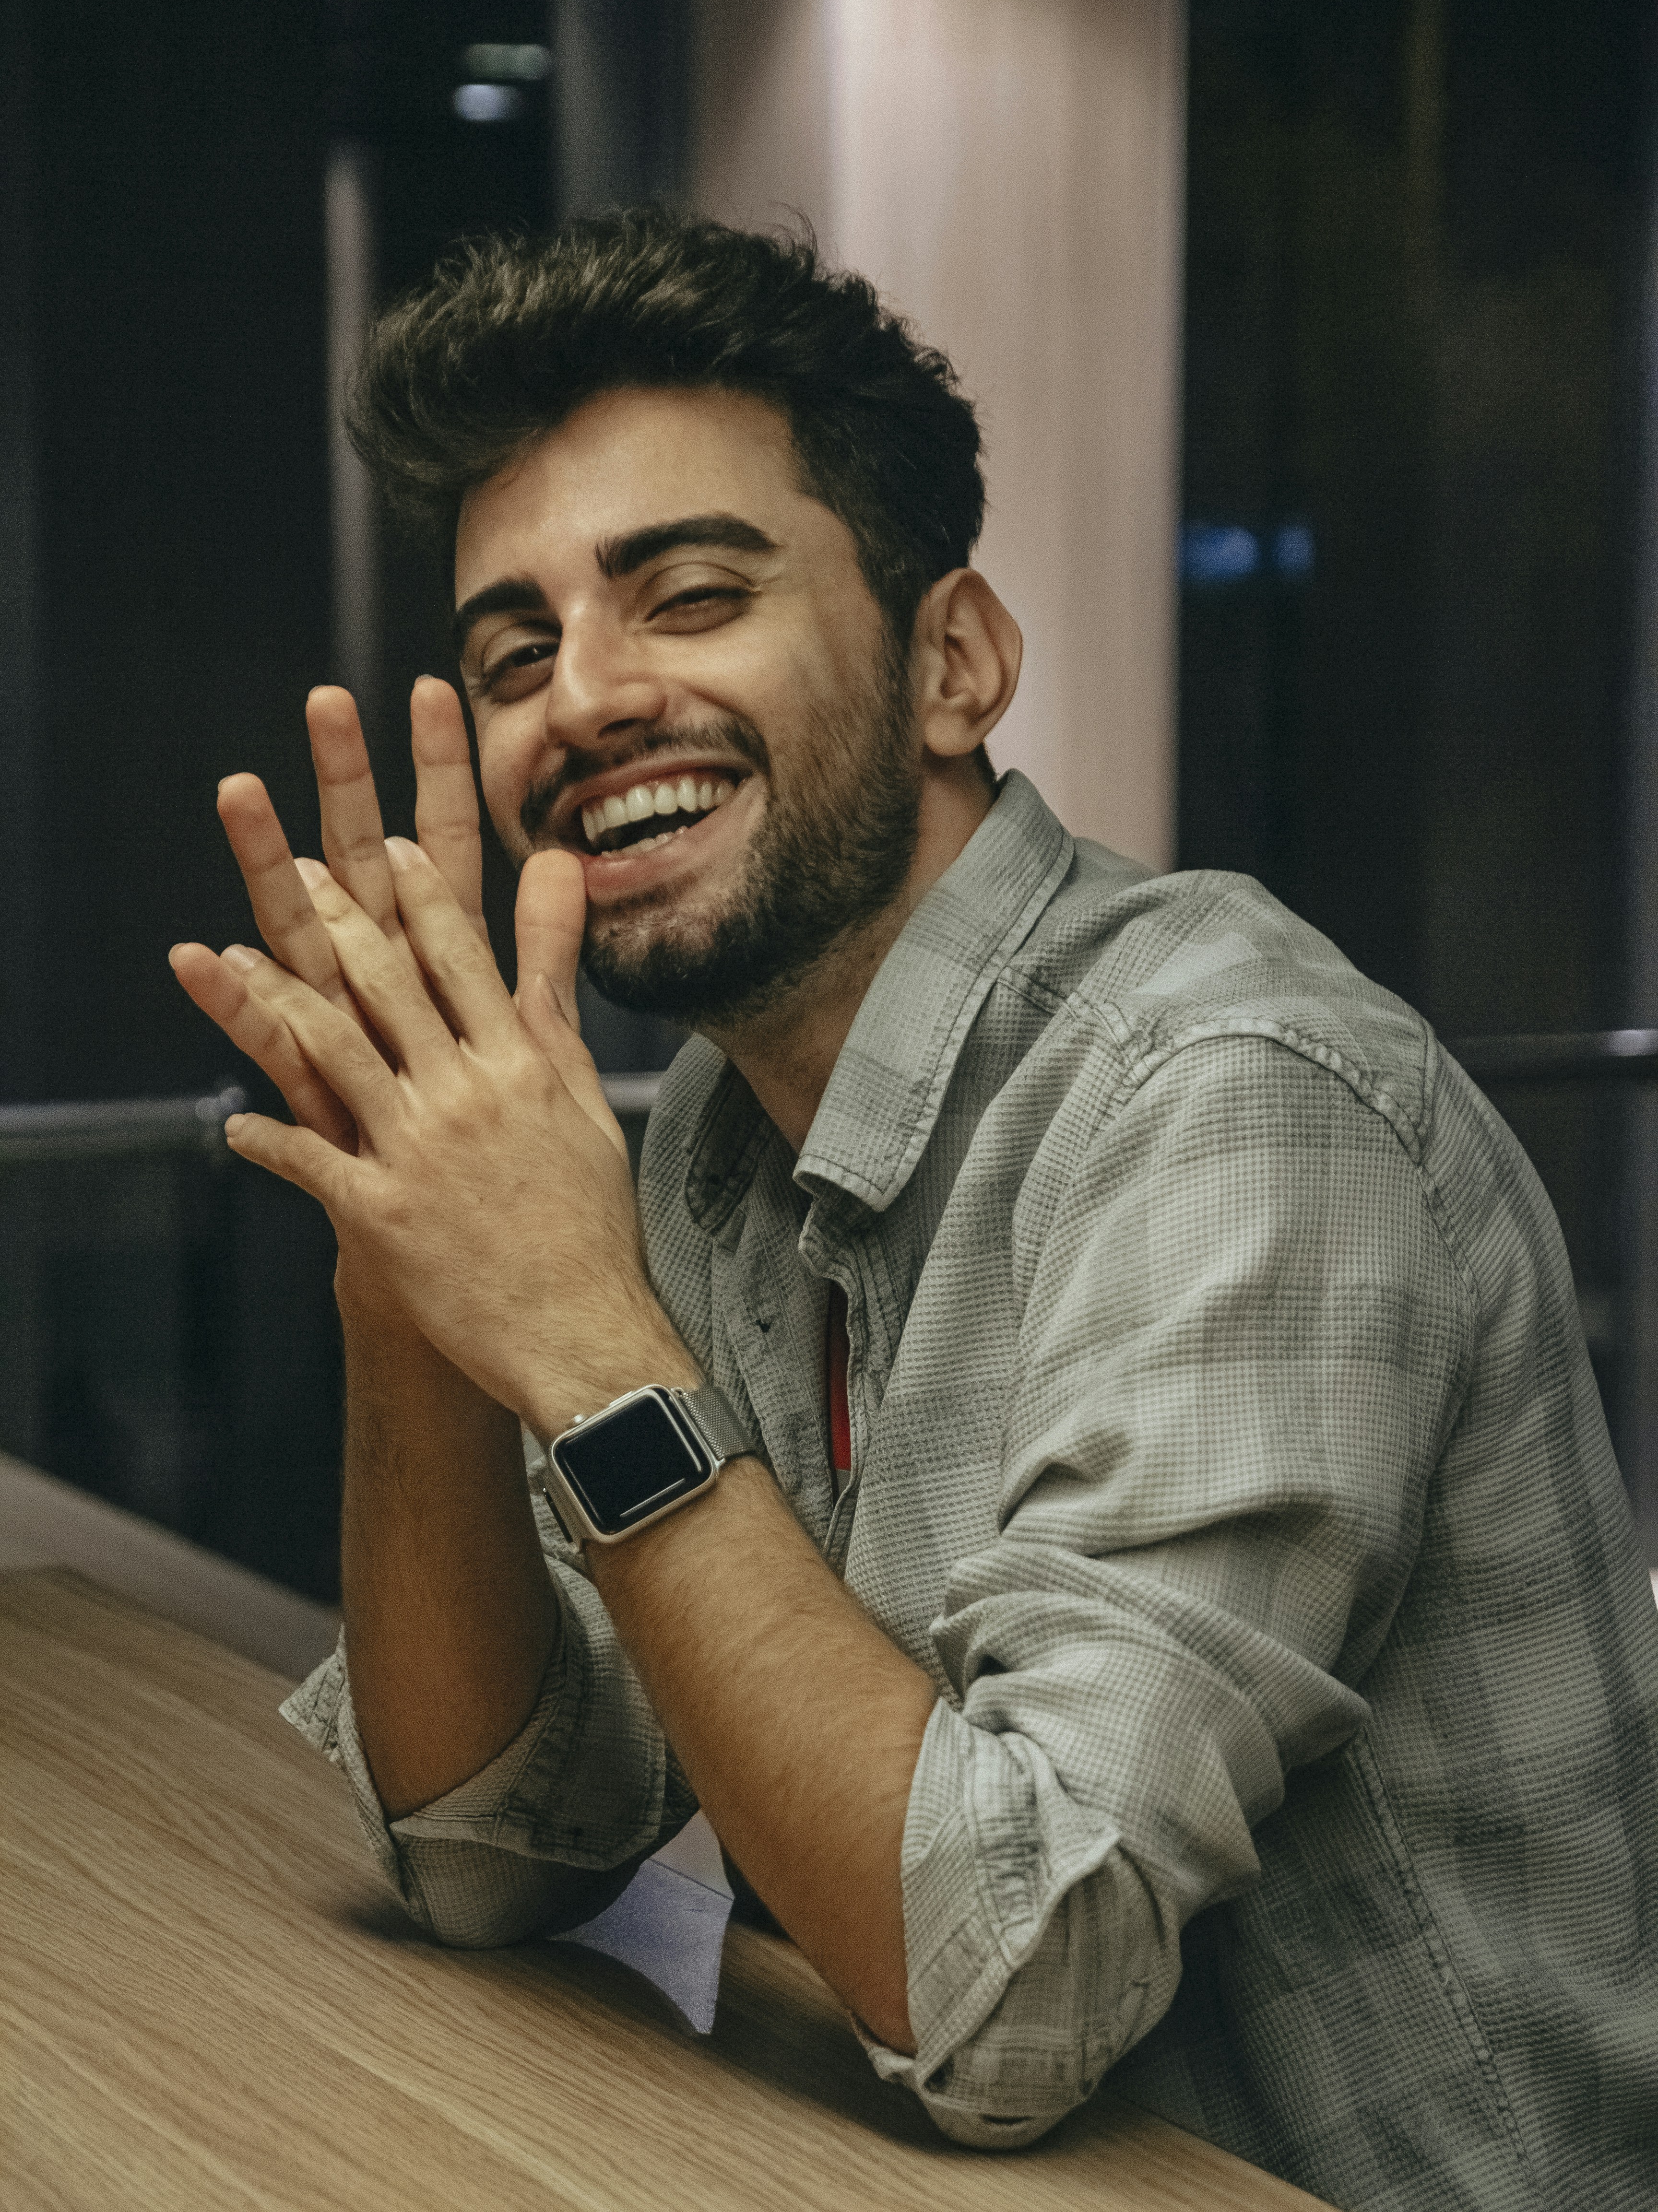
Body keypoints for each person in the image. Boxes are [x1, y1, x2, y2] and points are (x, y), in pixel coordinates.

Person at [171, 210, 1658, 2211]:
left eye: (686, 595)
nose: (583, 700)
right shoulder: (714, 1130)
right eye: (515, 649)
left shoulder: (1233, 1096)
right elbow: (500, 1841)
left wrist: (592, 1348)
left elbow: (1011, 1984)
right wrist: (406, 1264)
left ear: (953, 662)